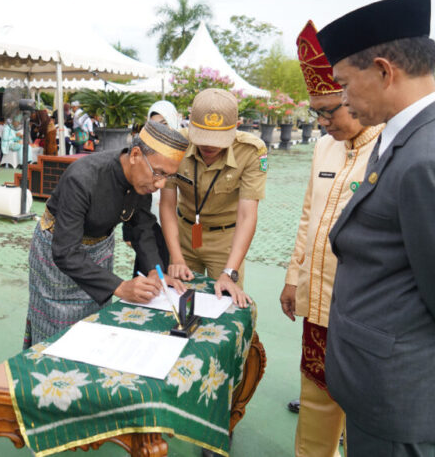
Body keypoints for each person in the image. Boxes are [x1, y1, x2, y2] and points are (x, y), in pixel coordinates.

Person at [315, 0, 435, 456]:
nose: (343, 98)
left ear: (383, 70)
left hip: (396, 383)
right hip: (384, 373)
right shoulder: (423, 131)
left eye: (345, 83)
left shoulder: (429, 155)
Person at [279, 21, 384, 457]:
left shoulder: (389, 149)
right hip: (318, 304)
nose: (323, 122)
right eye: (316, 113)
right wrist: (292, 277)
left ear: (355, 99)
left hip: (365, 310)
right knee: (317, 400)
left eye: (331, 112)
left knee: (366, 410)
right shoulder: (324, 148)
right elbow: (309, 216)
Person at [23, 120, 190, 348]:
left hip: (99, 253)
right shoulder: (82, 177)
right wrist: (119, 287)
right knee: (56, 334)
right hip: (57, 259)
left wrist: (155, 271)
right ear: (135, 155)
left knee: (94, 325)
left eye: (168, 177)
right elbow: (64, 252)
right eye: (158, 173)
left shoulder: (143, 182)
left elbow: (142, 226)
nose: (160, 184)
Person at [159, 89, 266, 308]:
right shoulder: (176, 144)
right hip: (184, 236)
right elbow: (167, 205)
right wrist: (176, 257)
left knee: (224, 304)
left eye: (217, 139)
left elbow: (247, 216)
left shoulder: (251, 151)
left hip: (226, 240)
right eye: (203, 137)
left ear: (236, 126)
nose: (209, 146)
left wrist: (229, 271)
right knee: (179, 304)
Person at [122, 100, 182, 276]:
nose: (160, 130)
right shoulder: (142, 150)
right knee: (149, 269)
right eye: (154, 125)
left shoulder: (183, 153)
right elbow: (131, 190)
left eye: (164, 124)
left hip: (177, 227)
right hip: (150, 226)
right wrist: (128, 233)